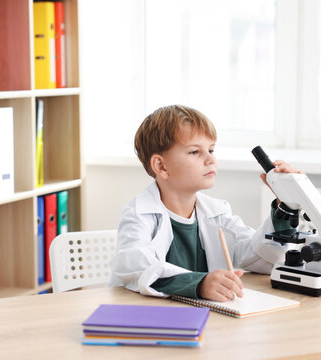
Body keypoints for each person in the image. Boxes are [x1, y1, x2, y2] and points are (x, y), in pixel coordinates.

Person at [108, 105, 301, 302]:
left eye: (211, 149)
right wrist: (199, 283)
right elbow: (135, 266)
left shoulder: (217, 212)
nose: (210, 159)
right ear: (161, 166)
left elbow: (259, 257)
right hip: (151, 319)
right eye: (194, 152)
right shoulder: (139, 214)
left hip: (206, 320)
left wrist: (283, 207)